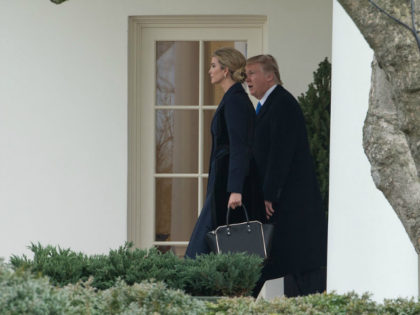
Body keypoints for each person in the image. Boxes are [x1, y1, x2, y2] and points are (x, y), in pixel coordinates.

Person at [245, 55, 328, 297]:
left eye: (252, 73)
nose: (247, 79)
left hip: (291, 204)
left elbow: (281, 154)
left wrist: (268, 195)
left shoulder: (282, 104)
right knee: (285, 263)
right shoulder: (270, 105)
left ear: (269, 76)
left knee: (298, 266)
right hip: (285, 205)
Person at [185, 47, 265, 258]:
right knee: (206, 244)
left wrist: (236, 189)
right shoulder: (232, 98)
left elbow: (240, 147)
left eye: (213, 66)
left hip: (228, 186)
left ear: (226, 70)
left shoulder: (236, 100)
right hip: (223, 182)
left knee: (203, 247)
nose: (210, 71)